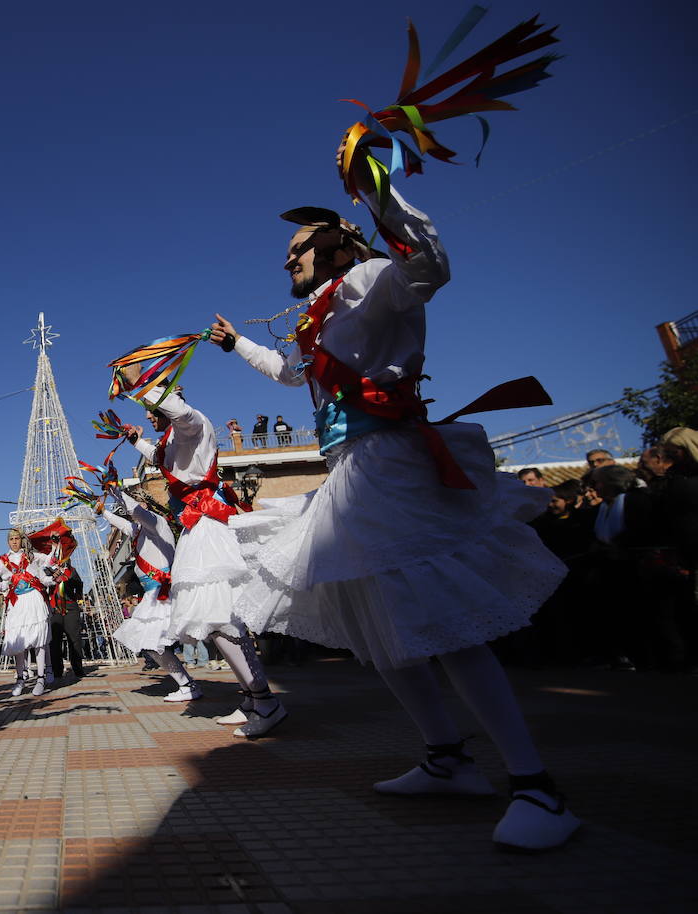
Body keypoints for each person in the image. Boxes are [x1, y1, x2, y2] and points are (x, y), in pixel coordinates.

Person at [208, 140, 578, 851]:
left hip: (393, 464)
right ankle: (447, 758)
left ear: (339, 245)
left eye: (299, 248)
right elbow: (293, 375)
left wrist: (375, 189)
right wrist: (237, 350)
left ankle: (538, 787)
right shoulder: (321, 312)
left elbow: (429, 264)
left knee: (447, 627)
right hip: (354, 472)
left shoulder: (375, 277)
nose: (287, 260)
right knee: (385, 627)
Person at [123, 389, 286, 737]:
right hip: (198, 530)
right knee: (220, 623)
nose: (149, 417)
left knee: (222, 621)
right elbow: (162, 456)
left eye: (153, 410)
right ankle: (253, 698)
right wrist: (138, 442)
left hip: (208, 528)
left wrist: (147, 386)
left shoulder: (194, 426)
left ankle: (264, 700)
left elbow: (184, 419)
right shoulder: (174, 444)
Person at [105, 487, 198, 700]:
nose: (130, 512)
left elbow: (136, 512)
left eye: (133, 506)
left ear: (144, 505)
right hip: (152, 595)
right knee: (153, 644)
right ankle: (187, 685)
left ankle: (190, 685)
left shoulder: (157, 523)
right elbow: (123, 523)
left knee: (164, 641)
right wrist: (101, 509)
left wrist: (117, 492)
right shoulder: (138, 531)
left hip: (163, 591)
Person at [0, 529, 56, 696]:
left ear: (21, 540)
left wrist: (55, 551)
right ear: (8, 542)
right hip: (16, 603)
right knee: (18, 641)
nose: (14, 541)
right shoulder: (2, 561)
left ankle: (40, 677)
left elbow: (48, 566)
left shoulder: (32, 556)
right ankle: (20, 678)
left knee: (39, 639)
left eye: (17, 538)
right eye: (11, 539)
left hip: (34, 599)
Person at [47, 560, 86, 680]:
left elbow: (79, 584)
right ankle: (56, 670)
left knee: (74, 639)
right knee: (55, 641)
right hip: (54, 609)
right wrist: (53, 577)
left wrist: (69, 582)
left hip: (70, 607)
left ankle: (78, 668)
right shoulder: (47, 570)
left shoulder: (72, 570)